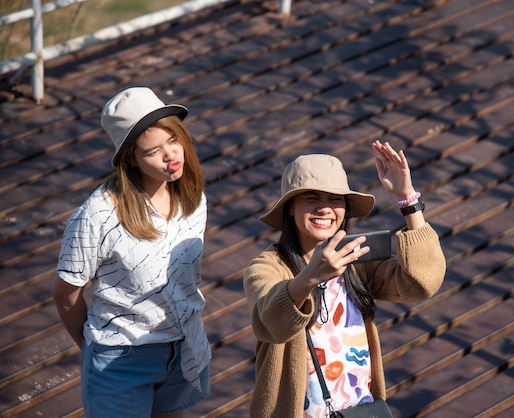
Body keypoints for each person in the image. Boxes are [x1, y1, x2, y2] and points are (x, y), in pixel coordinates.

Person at [243, 142, 447, 417]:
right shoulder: (267, 267)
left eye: (335, 199)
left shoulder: (355, 261)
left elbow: (422, 282)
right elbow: (271, 321)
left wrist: (408, 198)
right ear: (290, 208)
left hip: (360, 409)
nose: (325, 209)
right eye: (312, 198)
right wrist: (311, 276)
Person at [53, 87, 211, 418]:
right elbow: (66, 294)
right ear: (131, 160)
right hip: (121, 361)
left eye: (173, 140)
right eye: (154, 151)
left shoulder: (193, 198)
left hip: (183, 347)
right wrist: (96, 351)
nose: (170, 155)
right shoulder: (98, 215)